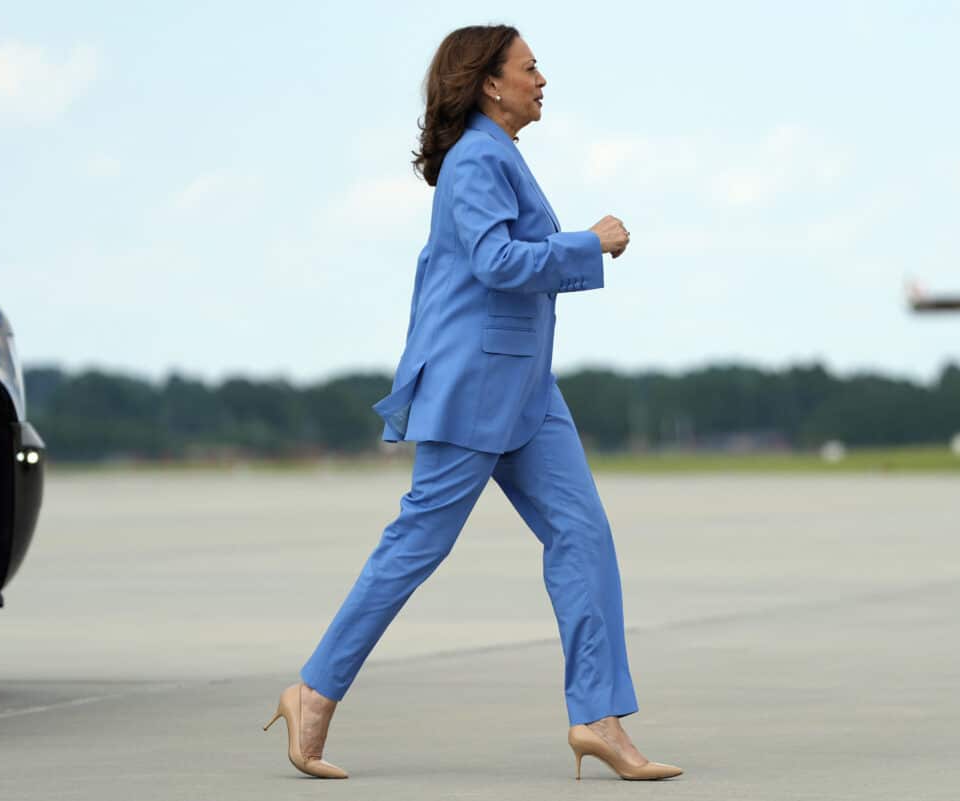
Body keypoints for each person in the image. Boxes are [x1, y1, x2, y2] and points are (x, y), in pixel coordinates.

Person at [263, 24, 682, 782]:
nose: (542, 78)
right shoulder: (476, 162)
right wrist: (587, 242)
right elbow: (494, 262)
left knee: (582, 533)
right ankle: (313, 693)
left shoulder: (502, 158)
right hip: (475, 387)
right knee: (416, 545)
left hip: (527, 390)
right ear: (490, 83)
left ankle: (597, 717)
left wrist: (576, 249)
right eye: (529, 67)